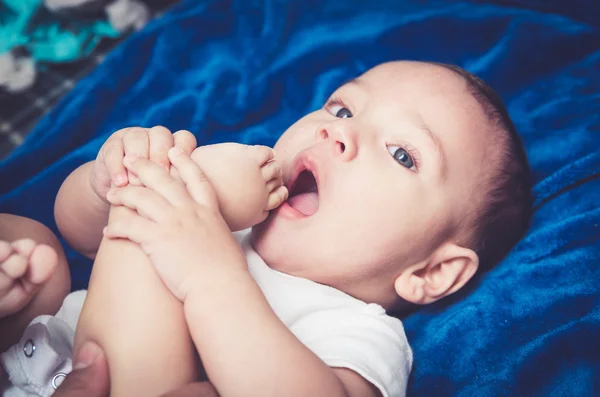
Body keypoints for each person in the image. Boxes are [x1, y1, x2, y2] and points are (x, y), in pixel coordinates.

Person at [0, 61, 533, 397]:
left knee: (146, 217)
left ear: (434, 271)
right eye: (343, 106)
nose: (338, 131)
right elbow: (82, 234)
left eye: (402, 154)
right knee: (37, 254)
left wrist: (210, 274)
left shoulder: (358, 331)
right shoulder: (227, 219)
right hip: (29, 357)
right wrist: (105, 183)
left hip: (127, 384)